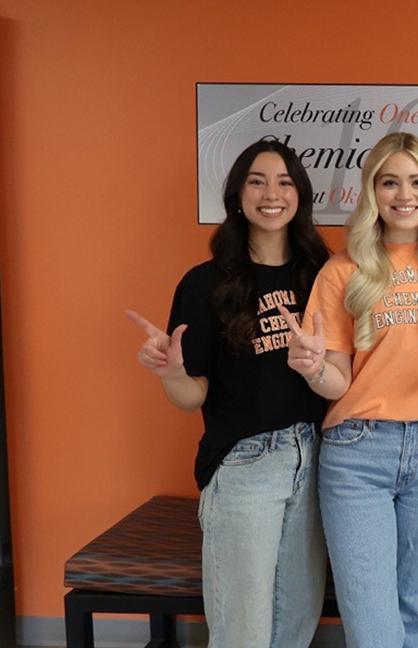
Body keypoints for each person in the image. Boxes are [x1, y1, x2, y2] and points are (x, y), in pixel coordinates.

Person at [127, 139, 332, 648]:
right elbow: (192, 394)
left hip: (316, 457)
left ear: (300, 195)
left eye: (285, 182)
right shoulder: (205, 283)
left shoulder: (321, 272)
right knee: (242, 629)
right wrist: (171, 371)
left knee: (296, 621)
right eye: (257, 181)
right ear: (237, 194)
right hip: (245, 466)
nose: (271, 194)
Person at [283, 131, 418, 648]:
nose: (403, 194)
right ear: (372, 192)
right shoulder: (342, 271)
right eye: (389, 182)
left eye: (416, 181)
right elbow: (337, 381)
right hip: (357, 452)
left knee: (415, 610)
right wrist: (311, 367)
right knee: (370, 619)